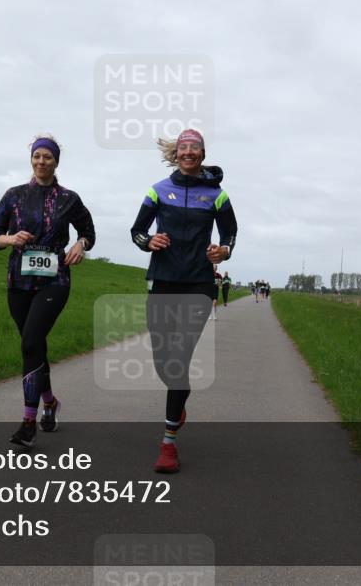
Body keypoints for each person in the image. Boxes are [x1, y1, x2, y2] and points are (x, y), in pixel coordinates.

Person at [131, 128, 237, 473]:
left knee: (179, 359)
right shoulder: (158, 191)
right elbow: (136, 230)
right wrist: (149, 241)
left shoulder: (216, 195)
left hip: (199, 284)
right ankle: (179, 406)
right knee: (164, 360)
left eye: (195, 148)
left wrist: (225, 250)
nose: (189, 153)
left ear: (203, 155)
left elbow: (230, 232)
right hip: (163, 280)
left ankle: (168, 442)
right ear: (176, 154)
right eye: (184, 148)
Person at [0, 136, 95, 448]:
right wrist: (10, 239)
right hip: (18, 282)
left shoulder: (69, 199)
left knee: (32, 342)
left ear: (56, 161)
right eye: (37, 156)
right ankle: (49, 402)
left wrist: (79, 244)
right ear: (31, 160)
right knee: (33, 347)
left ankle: (27, 422)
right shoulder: (14, 196)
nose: (41, 161)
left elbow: (88, 232)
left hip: (55, 281)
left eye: (48, 156)